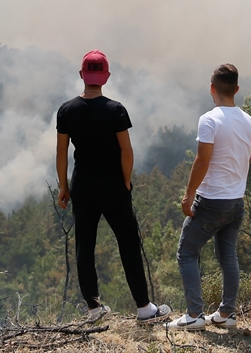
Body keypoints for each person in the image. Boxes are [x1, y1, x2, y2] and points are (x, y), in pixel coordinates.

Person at [56, 50, 171, 324]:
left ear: (82, 75)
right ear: (105, 77)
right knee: (128, 243)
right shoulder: (115, 109)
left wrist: (64, 187)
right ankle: (144, 309)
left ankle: (94, 309)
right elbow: (126, 152)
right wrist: (126, 180)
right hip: (113, 186)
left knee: (85, 245)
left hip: (82, 186)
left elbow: (61, 153)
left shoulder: (66, 110)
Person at [166, 63, 251, 330]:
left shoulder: (209, 119)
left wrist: (189, 194)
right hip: (236, 200)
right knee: (228, 256)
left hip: (211, 200)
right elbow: (245, 157)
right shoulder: (248, 120)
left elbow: (202, 160)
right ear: (237, 89)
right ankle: (226, 314)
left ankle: (194, 315)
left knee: (187, 253)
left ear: (211, 89)